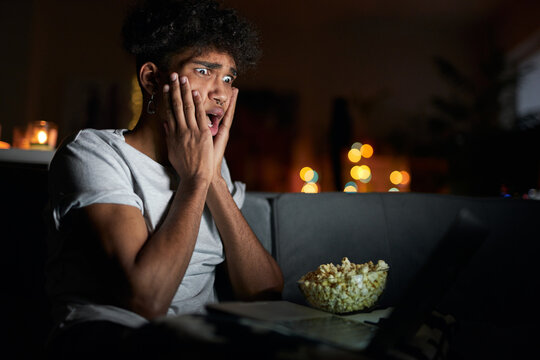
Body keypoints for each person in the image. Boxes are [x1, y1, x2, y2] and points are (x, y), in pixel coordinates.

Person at [44, 0, 283, 356]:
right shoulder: (93, 153)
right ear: (153, 79)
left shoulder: (212, 165)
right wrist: (195, 181)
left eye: (229, 78)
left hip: (200, 337)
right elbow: (147, 299)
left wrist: (212, 177)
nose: (221, 93)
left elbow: (265, 293)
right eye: (204, 71)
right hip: (111, 336)